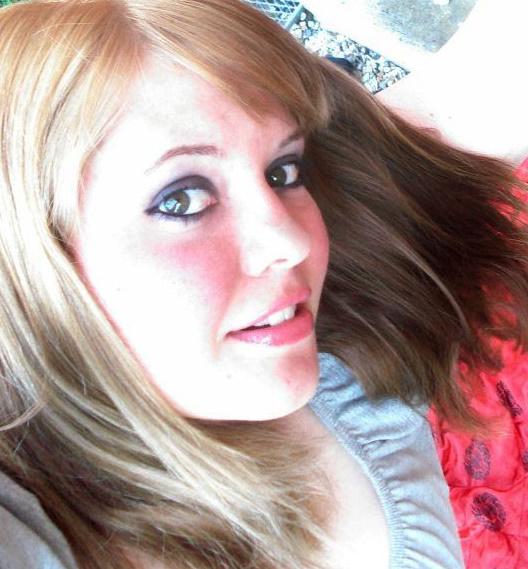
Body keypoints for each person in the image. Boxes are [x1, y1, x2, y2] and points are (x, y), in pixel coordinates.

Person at [0, 1, 527, 568]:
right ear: (32, 252)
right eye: (182, 199)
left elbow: (474, 97)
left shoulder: (350, 301)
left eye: (283, 172)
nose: (291, 240)